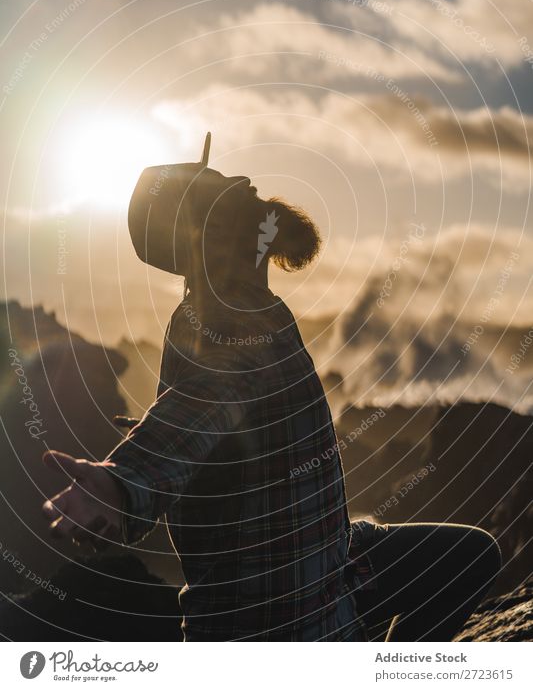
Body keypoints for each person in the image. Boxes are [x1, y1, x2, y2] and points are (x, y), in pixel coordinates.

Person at [42, 136, 501, 641]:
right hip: (280, 618)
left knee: (469, 555)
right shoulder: (235, 314)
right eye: (222, 189)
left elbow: (204, 407)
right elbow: (208, 400)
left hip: (326, 565)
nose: (245, 184)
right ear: (215, 232)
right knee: (468, 560)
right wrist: (123, 484)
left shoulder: (238, 307)